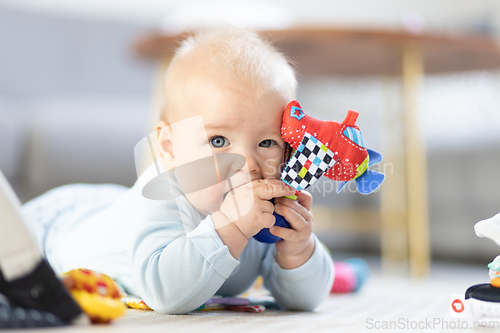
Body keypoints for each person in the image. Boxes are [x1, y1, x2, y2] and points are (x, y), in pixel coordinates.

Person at [22, 27, 334, 314]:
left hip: (108, 207)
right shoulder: (162, 195)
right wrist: (231, 228)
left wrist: (298, 251)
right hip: (52, 230)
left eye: (267, 142)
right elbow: (166, 295)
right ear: (170, 149)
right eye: (219, 140)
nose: (248, 164)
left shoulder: (263, 212)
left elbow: (303, 301)